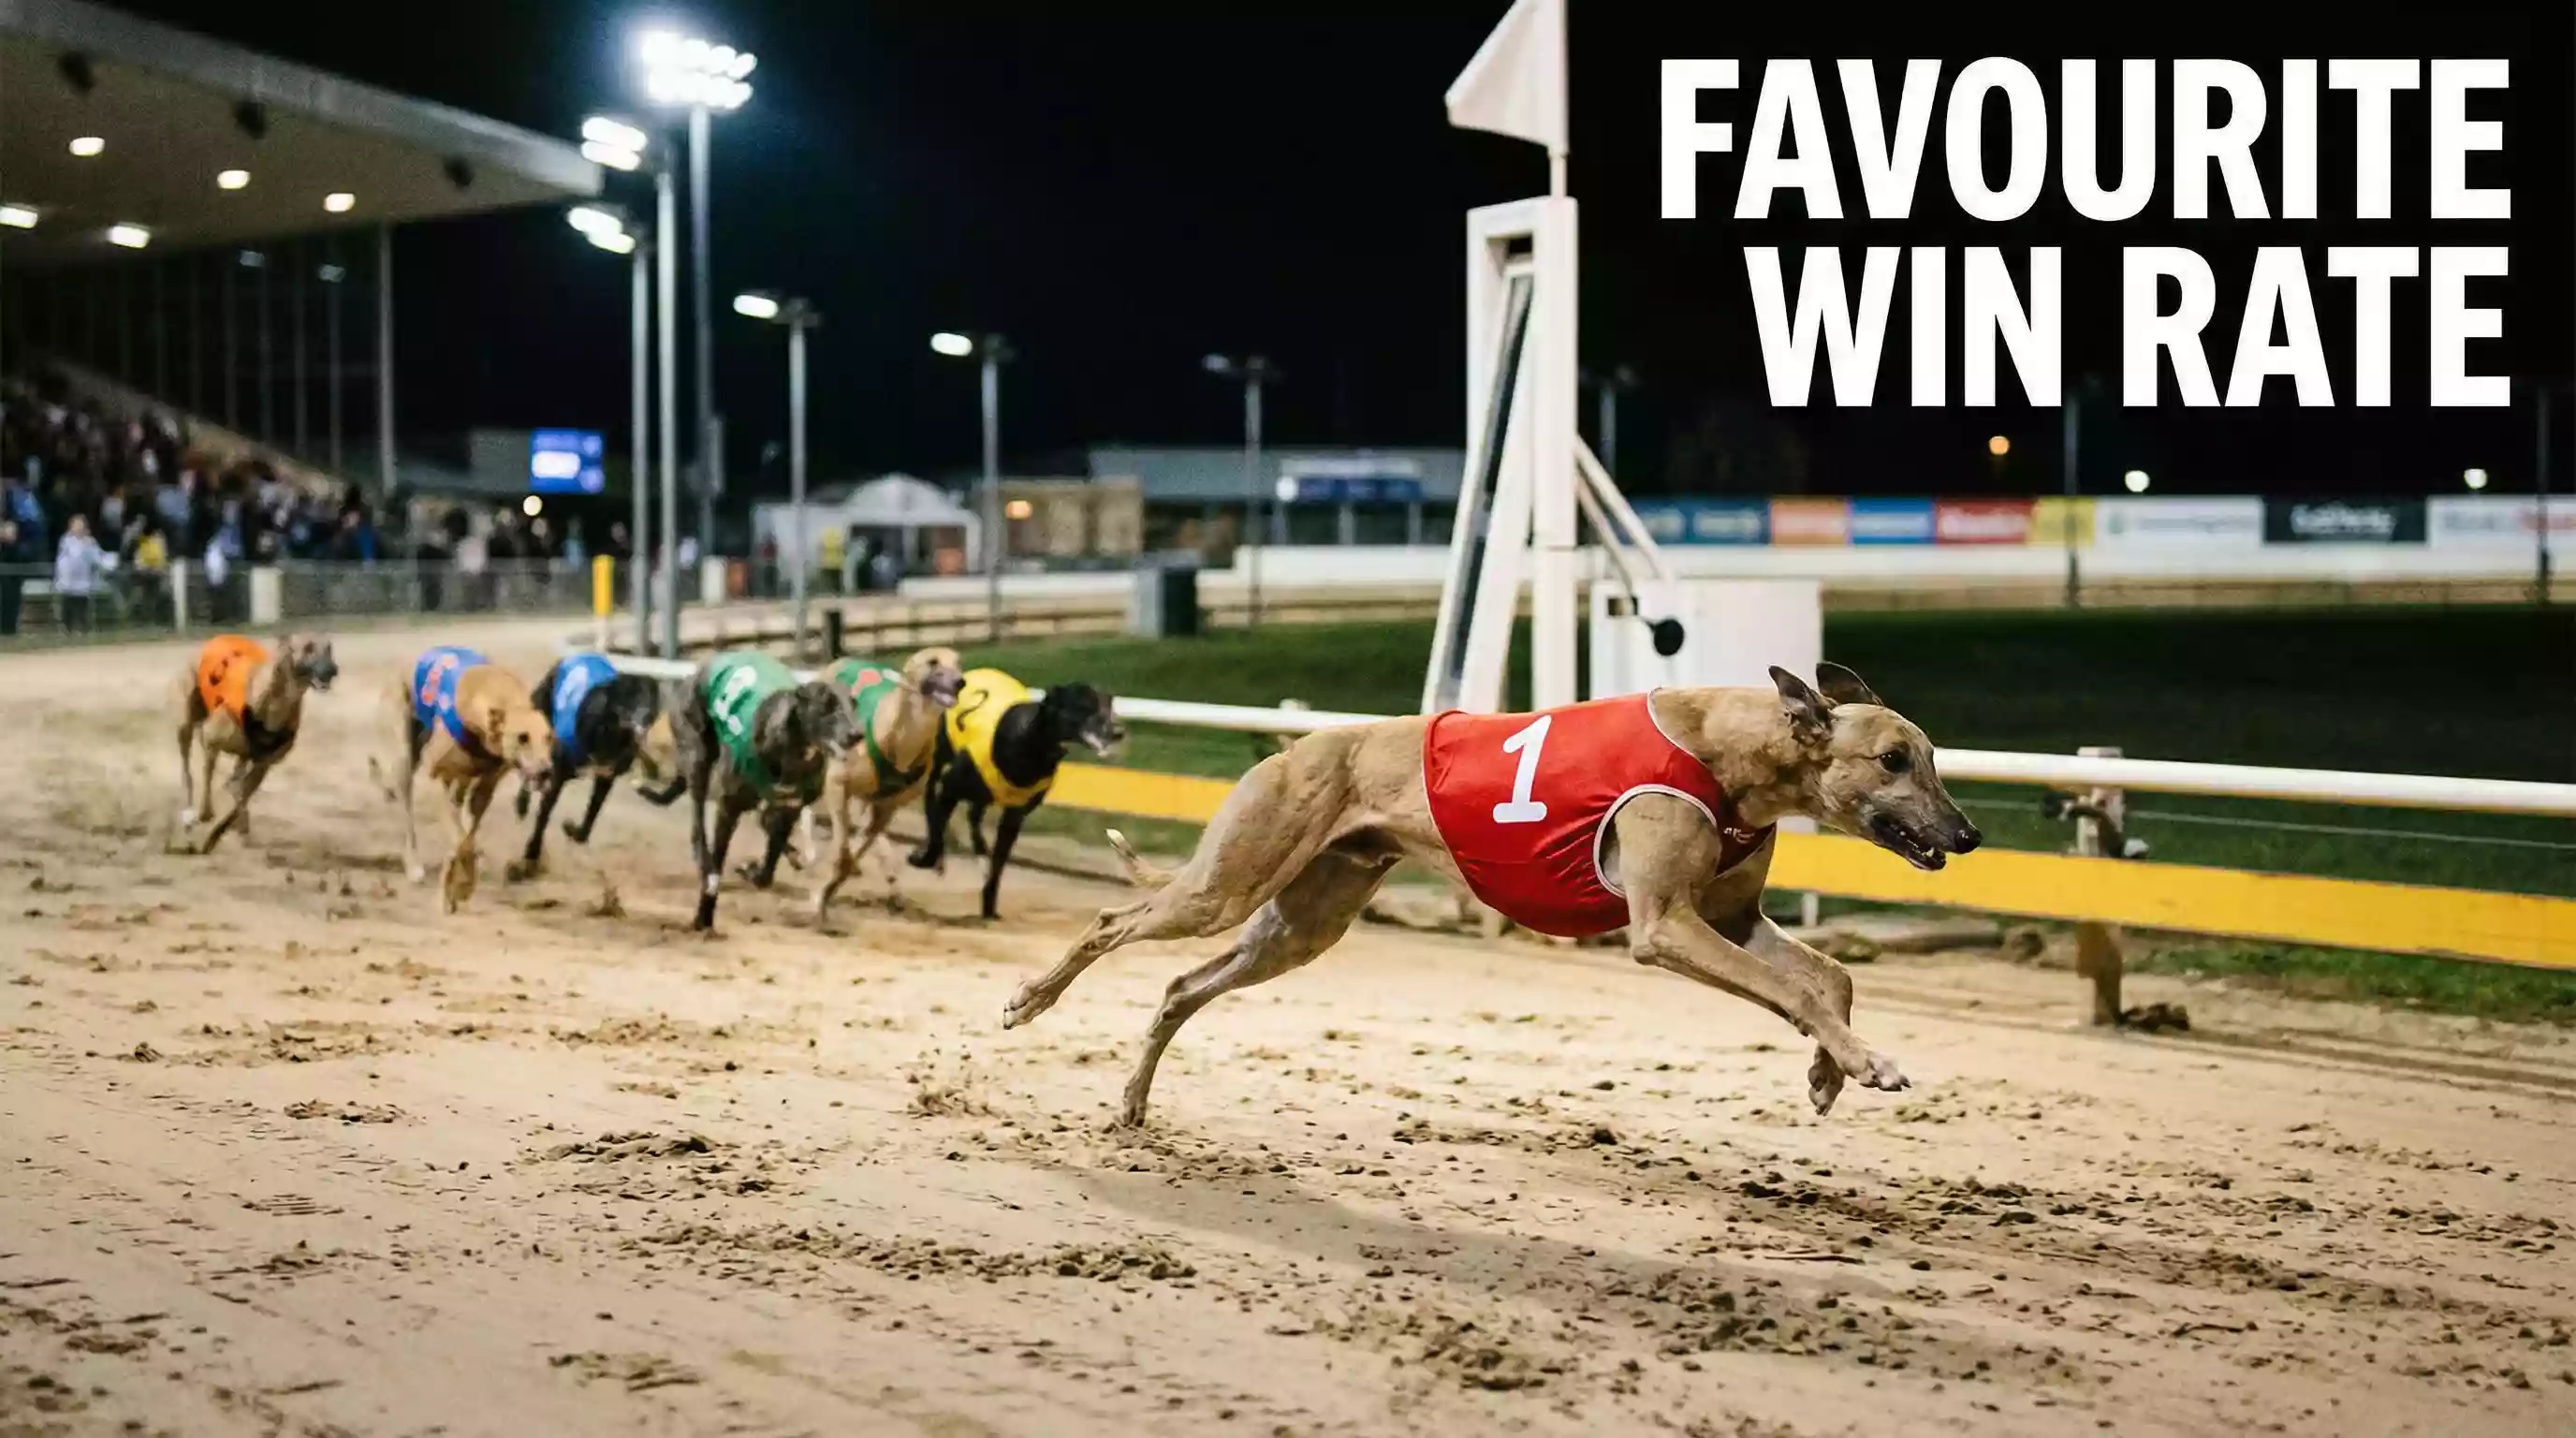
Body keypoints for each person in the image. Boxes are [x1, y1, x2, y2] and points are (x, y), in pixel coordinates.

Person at [54, 514, 109, 636]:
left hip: (84, 582)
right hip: (68, 582)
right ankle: (67, 630)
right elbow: (62, 560)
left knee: (82, 607)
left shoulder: (90, 541)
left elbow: (97, 558)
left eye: (80, 524)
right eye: (75, 524)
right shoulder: (66, 541)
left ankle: (83, 630)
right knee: (68, 607)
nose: (78, 527)